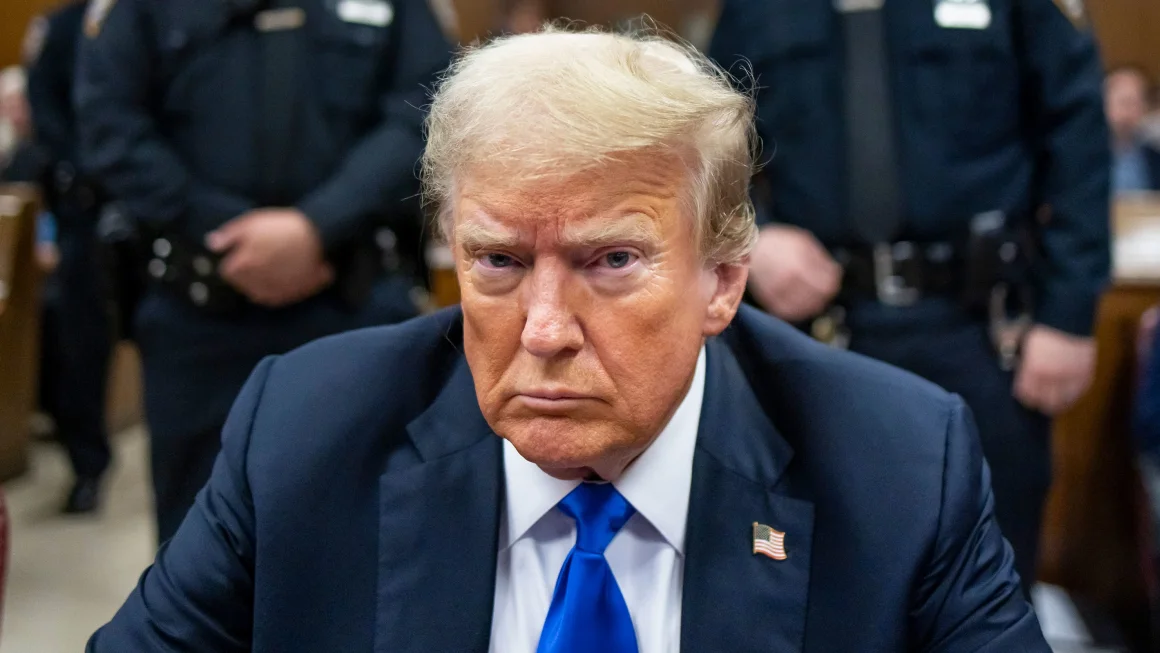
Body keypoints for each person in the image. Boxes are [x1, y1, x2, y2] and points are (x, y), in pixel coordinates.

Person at [89, 28, 1050, 652]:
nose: (543, 331)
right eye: (498, 262)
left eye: (613, 261)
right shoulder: (304, 429)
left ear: (722, 280)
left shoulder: (898, 465)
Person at [710, 0, 1110, 592]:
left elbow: (1078, 141)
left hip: (981, 329)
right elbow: (709, 136)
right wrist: (756, 233)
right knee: (819, 574)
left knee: (987, 573)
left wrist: (1068, 317)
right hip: (818, 330)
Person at [75, 0, 453, 541]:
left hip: (352, 307)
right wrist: (236, 235)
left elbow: (426, 110)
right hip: (200, 317)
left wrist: (315, 226)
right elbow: (111, 127)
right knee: (199, 543)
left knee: (364, 538)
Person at [25, 1, 115, 513]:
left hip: (149, 207)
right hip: (84, 210)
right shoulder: (62, 28)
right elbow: (46, 108)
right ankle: (88, 465)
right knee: (81, 347)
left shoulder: (158, 17)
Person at [1106, 65, 1160, 193]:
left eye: (1136, 103)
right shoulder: (1078, 157)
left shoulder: (1154, 157)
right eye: (1123, 102)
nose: (1128, 112)